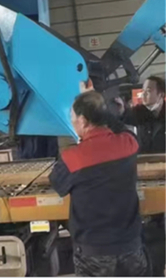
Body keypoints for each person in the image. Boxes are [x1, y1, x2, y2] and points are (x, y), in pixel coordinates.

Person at [49, 91, 149, 277]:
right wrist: (103, 112)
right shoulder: (128, 143)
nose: (72, 121)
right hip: (131, 247)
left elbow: (57, 183)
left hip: (94, 252)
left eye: (72, 117)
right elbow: (124, 130)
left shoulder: (73, 158)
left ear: (83, 121)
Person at [116, 76, 165, 154]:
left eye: (148, 91)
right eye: (143, 91)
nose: (143, 95)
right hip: (143, 158)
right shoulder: (139, 111)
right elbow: (126, 118)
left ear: (161, 94)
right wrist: (122, 111)